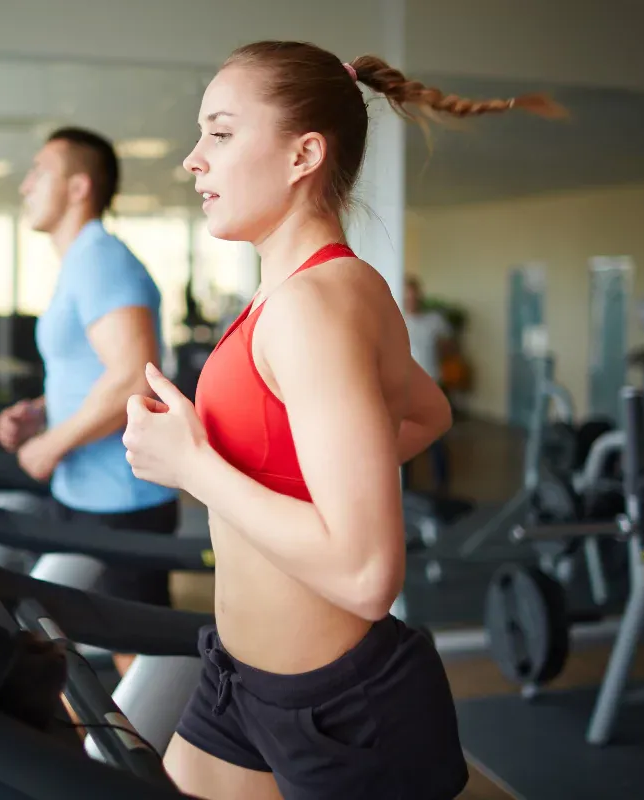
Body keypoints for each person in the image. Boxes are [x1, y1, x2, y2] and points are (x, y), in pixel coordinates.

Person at [121, 41, 564, 799]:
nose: (194, 160)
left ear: (304, 155)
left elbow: (365, 576)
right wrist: (311, 473)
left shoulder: (311, 307)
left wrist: (194, 466)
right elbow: (428, 413)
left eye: (220, 133)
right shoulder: (314, 290)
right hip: (242, 683)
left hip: (339, 710)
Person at [0, 127, 178, 671]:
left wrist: (50, 445)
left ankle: (170, 756)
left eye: (39, 172)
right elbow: (93, 370)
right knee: (70, 644)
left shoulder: (100, 258)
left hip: (120, 498)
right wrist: (41, 411)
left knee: (145, 664)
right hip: (88, 492)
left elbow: (133, 377)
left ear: (78, 187)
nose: (25, 184)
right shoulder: (80, 261)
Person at [402, 275, 453, 493]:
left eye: (415, 296)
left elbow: (448, 345)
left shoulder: (434, 320)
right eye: (408, 296)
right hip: (406, 387)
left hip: (433, 384)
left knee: (437, 437)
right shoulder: (396, 317)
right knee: (405, 436)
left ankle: (442, 485)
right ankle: (405, 487)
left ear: (420, 296)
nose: (412, 300)